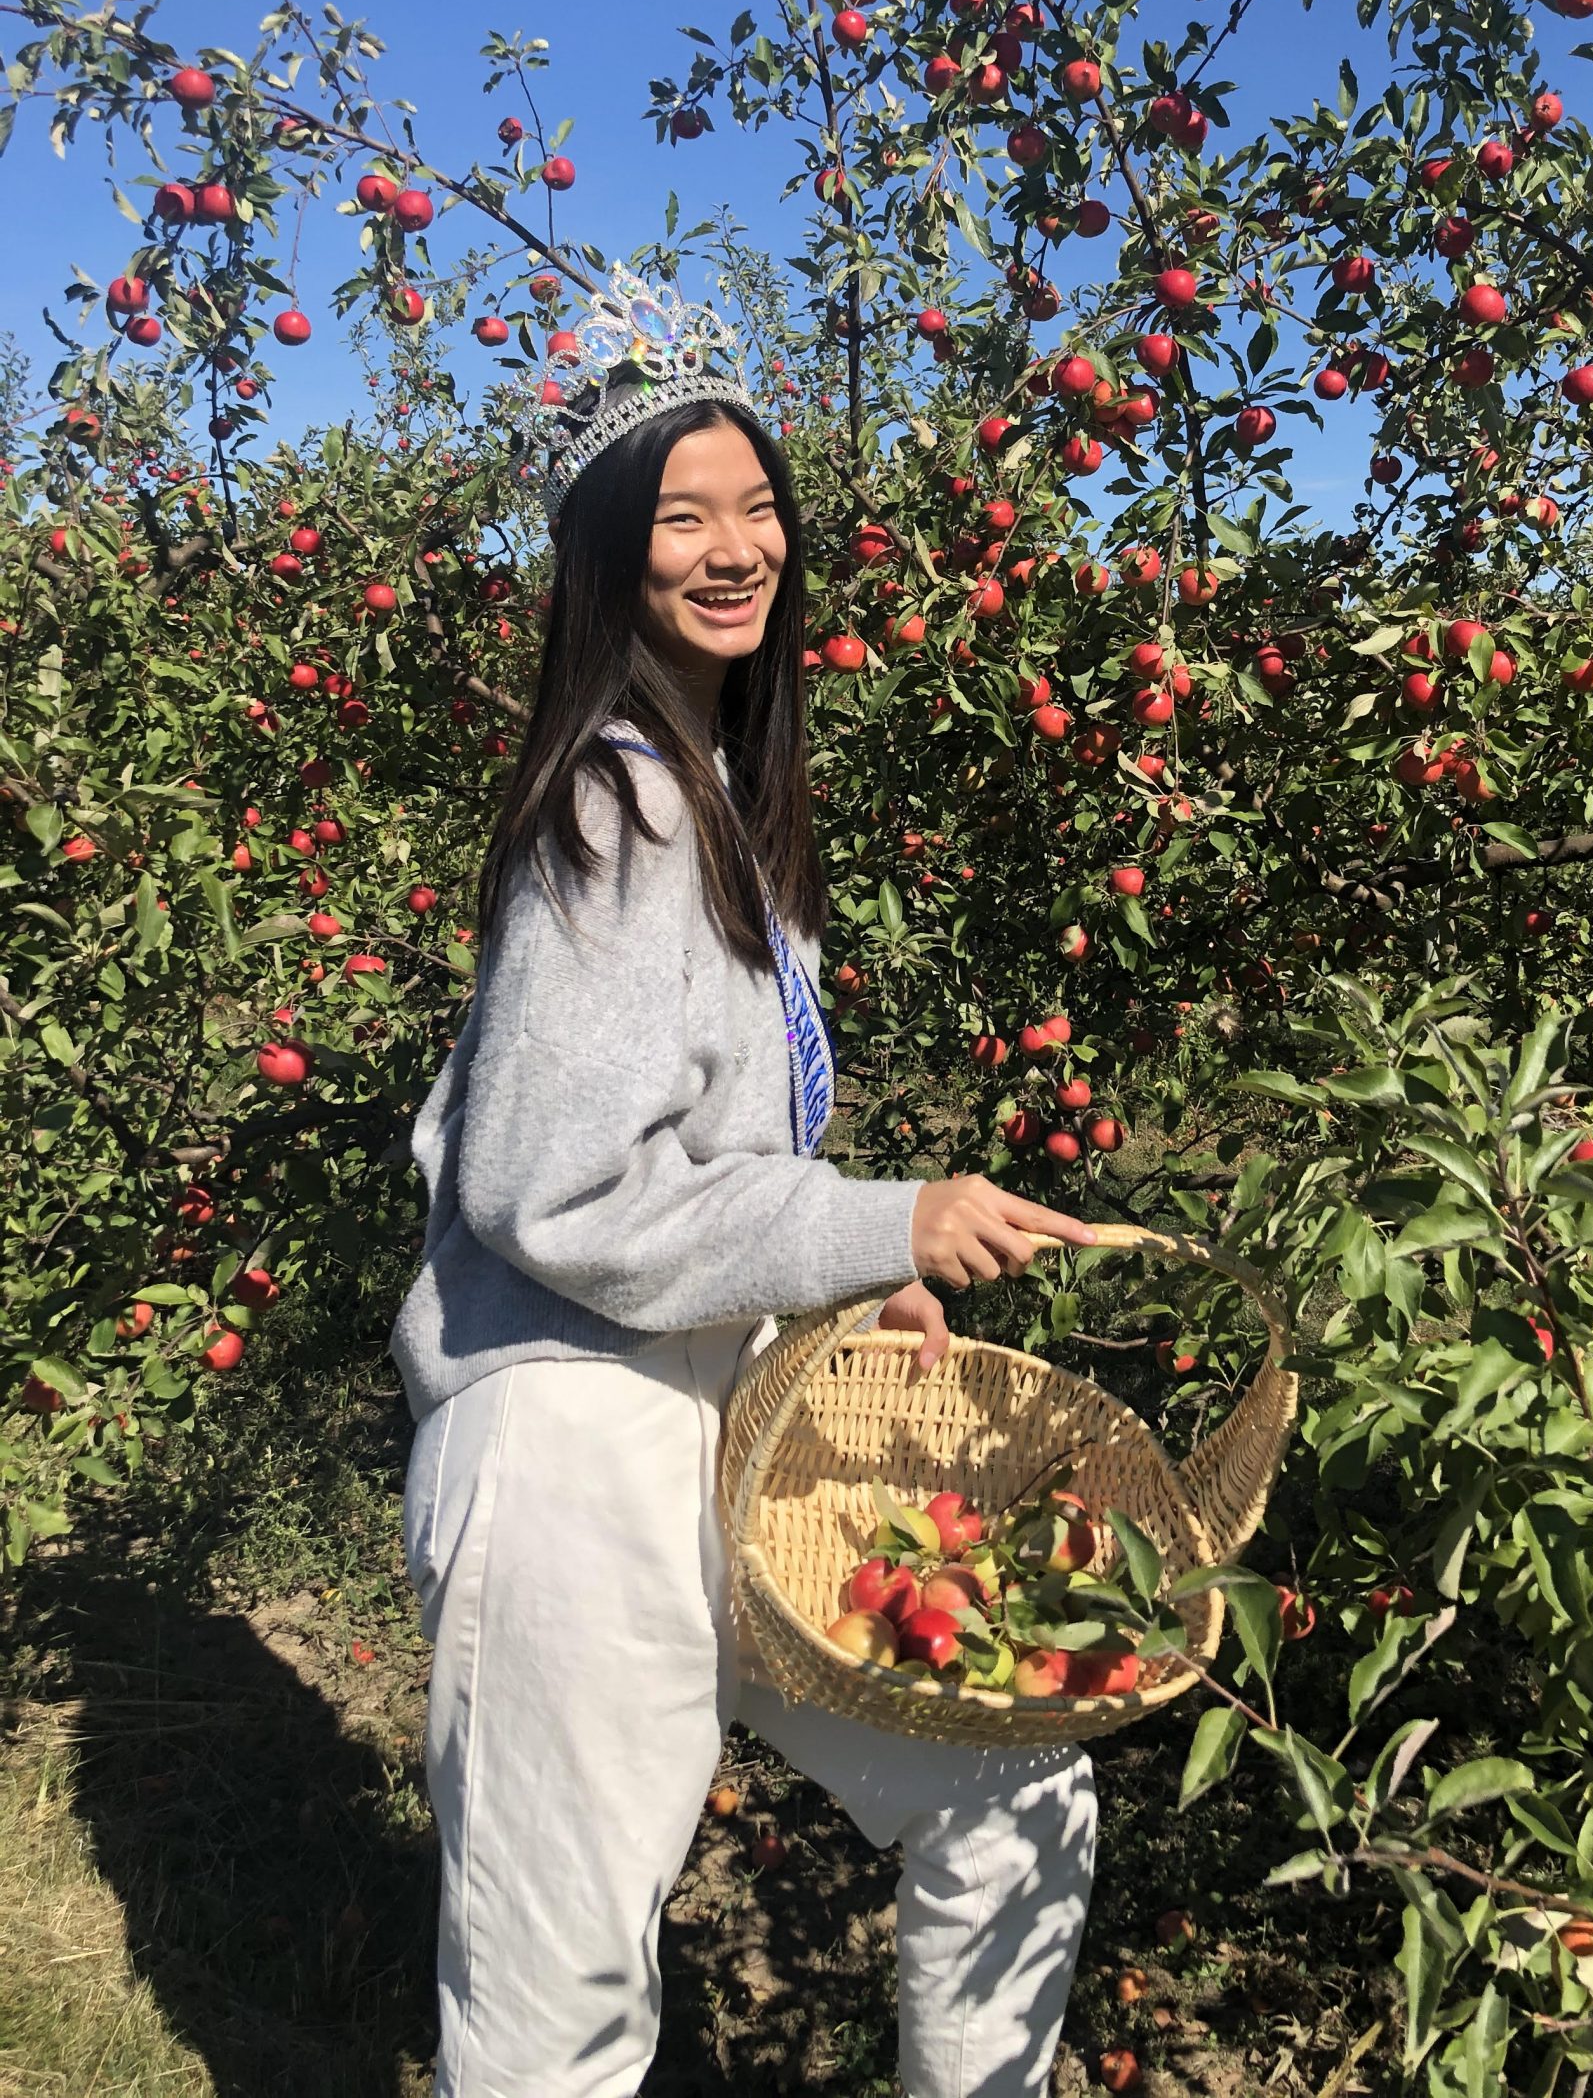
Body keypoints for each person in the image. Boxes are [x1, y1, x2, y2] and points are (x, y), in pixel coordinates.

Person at [389, 269, 1102, 2098]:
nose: (734, 549)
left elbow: (708, 1166)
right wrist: (887, 1212)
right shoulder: (615, 810)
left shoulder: (719, 795)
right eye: (681, 517)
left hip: (742, 1417)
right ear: (612, 557)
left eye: (757, 507)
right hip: (572, 1449)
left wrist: (849, 1281)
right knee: (558, 1992)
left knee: (1012, 1777)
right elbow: (545, 1191)